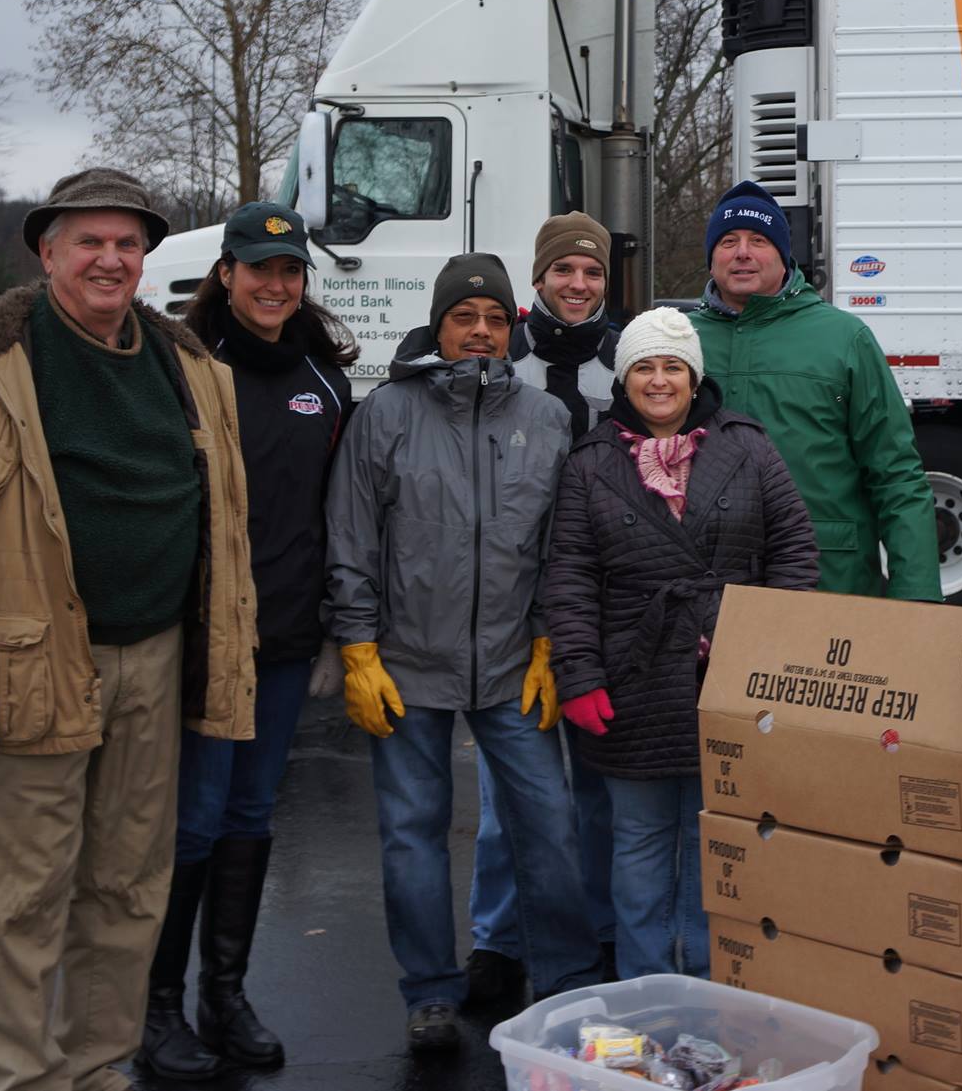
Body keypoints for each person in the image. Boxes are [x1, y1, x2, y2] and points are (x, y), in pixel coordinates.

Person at [0, 169, 257, 1091]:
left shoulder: (189, 365)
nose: (109, 258)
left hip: (158, 657)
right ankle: (19, 1080)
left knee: (129, 889)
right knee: (22, 897)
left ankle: (96, 1069)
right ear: (46, 251)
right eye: (88, 241)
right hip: (32, 664)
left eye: (126, 243)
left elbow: (225, 516)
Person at [324, 253, 605, 1052]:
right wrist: (357, 648)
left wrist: (553, 638)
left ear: (510, 328)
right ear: (440, 326)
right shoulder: (387, 412)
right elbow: (351, 536)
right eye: (464, 318)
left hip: (515, 662)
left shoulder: (545, 418)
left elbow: (563, 543)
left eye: (493, 319)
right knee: (413, 832)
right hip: (406, 664)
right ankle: (430, 995)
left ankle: (566, 983)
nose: (479, 332)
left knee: (547, 824)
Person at [134, 202, 355, 1080]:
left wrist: (342, 630)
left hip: (288, 639)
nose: (274, 284)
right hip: (202, 639)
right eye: (257, 268)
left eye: (289, 270)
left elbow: (340, 509)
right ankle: (158, 1008)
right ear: (225, 273)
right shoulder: (185, 367)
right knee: (192, 824)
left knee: (249, 817)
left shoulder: (326, 378)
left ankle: (226, 994)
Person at [543, 307, 819, 978]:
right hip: (633, 677)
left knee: (712, 841)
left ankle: (704, 984)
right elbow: (570, 573)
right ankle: (644, 988)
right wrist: (579, 675)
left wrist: (771, 660)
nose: (659, 380)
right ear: (623, 378)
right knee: (636, 842)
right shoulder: (591, 461)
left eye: (673, 366)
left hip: (728, 678)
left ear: (695, 377)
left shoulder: (747, 445)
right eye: (644, 366)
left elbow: (793, 552)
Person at [465, 213, 620, 1004]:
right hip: (510, 595)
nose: (578, 285)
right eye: (564, 271)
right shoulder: (505, 358)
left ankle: (594, 926)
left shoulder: (625, 359)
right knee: (511, 790)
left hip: (598, 598)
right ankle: (497, 937)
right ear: (539, 279)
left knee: (595, 785)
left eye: (591, 273)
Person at [689, 180, 942, 601]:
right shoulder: (677, 341)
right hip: (707, 589)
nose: (743, 252)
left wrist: (917, 594)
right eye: (728, 240)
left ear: (784, 256)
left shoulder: (844, 338)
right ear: (712, 257)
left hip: (827, 581)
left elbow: (896, 474)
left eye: (759, 240)